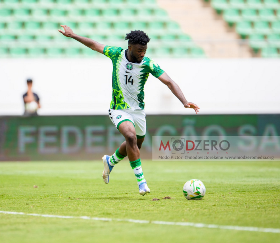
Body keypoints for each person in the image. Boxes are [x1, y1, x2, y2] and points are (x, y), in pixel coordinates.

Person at [58, 25, 200, 196]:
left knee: (135, 145)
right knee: (130, 137)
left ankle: (111, 161)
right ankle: (142, 183)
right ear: (130, 47)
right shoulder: (117, 54)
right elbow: (94, 45)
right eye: (139, 50)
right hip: (118, 109)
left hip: (138, 111)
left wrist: (184, 102)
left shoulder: (148, 64)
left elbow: (169, 81)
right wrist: (73, 35)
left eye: (145, 51)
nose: (142, 54)